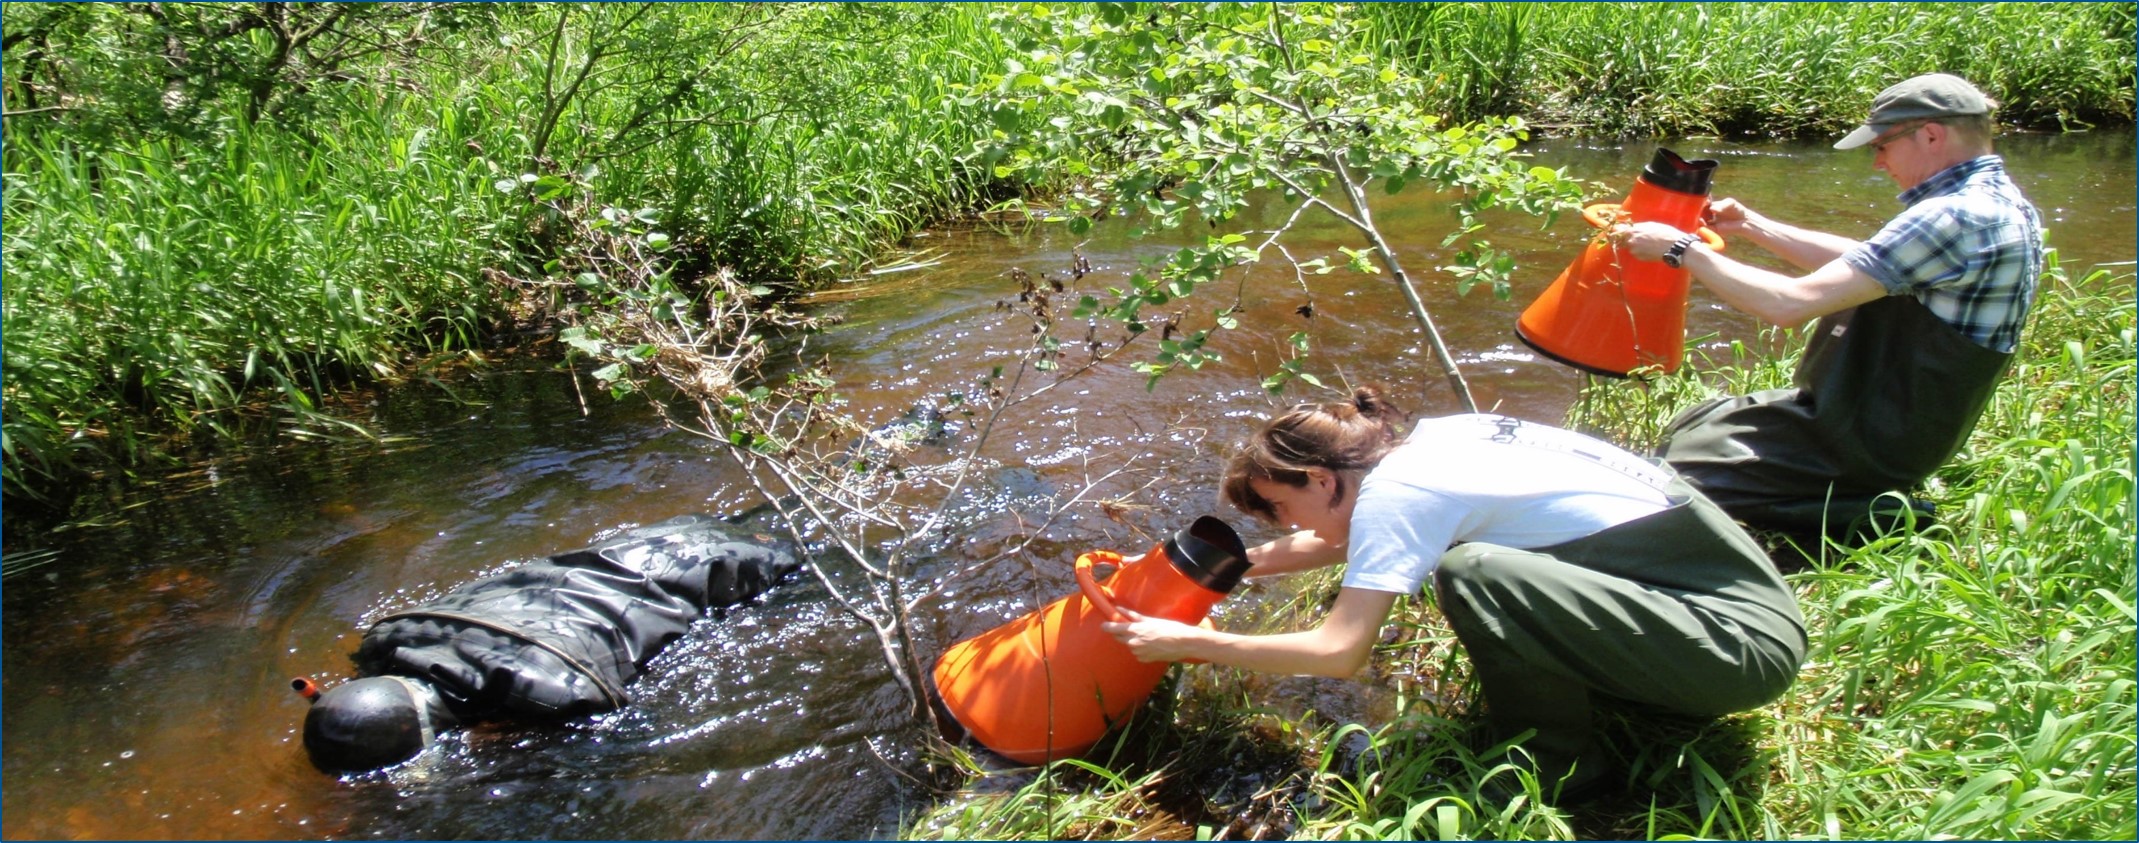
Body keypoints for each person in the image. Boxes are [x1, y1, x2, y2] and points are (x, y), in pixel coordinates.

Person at [1100, 388, 1806, 799]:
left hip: (1736, 650)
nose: (1285, 526)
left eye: (1276, 509)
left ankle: (1554, 761)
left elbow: (1339, 652)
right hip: (1737, 603)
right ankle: (1610, 692)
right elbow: (1346, 539)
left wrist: (1192, 642)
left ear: (1317, 479)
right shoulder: (1431, 446)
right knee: (1477, 563)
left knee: (1473, 574)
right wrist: (1209, 570)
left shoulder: (1400, 495)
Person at [1617, 73, 2045, 541]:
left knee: (1671, 480)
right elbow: (1869, 261)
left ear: (1931, 135)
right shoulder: (1994, 201)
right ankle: (1847, 496)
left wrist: (1682, 249)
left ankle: (1867, 512)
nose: (1879, 163)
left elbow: (1788, 305)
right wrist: (1753, 225)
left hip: (1872, 439)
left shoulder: (1955, 216)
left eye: (1882, 145)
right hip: (1893, 417)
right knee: (1697, 424)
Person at [296, 514, 800, 772]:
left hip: (730, 569)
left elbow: (618, 728)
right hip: (657, 541)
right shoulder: (388, 636)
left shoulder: (555, 693)